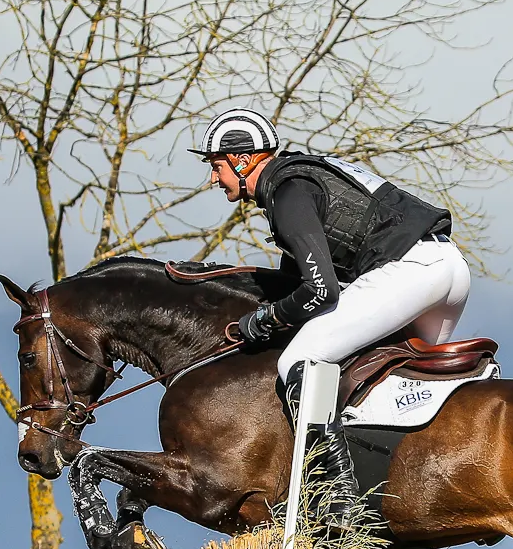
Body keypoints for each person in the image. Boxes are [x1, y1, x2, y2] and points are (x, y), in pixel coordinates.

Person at [195, 107, 471, 519]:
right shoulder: (300, 176)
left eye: (217, 167)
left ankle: (336, 496)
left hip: (411, 271)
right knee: (387, 385)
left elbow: (320, 291)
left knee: (299, 359)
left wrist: (265, 320)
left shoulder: (288, 192)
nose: (213, 179)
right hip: (449, 270)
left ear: (243, 159)